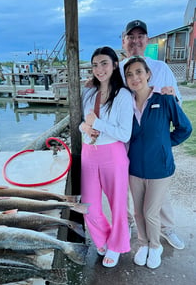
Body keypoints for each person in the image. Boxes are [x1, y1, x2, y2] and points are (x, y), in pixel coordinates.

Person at [120, 19, 185, 250]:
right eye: (131, 37)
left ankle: (166, 228)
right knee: (127, 188)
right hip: (125, 139)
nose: (135, 41)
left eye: (140, 36)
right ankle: (129, 224)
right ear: (123, 41)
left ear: (147, 40)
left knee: (158, 189)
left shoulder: (161, 68)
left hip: (153, 142)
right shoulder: (117, 69)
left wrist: (165, 141)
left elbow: (175, 101)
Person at [123, 56, 192, 268]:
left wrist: (164, 143)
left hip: (160, 168)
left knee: (151, 212)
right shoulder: (125, 104)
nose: (135, 78)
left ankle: (155, 246)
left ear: (148, 74)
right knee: (137, 211)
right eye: (129, 74)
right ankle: (142, 243)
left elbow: (185, 128)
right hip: (134, 167)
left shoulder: (164, 99)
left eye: (139, 72)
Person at [79, 46, 134, 268]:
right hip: (88, 154)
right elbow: (84, 122)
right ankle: (103, 237)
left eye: (104, 63)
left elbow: (124, 133)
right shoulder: (89, 92)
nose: (99, 69)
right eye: (95, 64)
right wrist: (86, 127)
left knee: (117, 204)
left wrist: (98, 124)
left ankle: (118, 244)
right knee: (89, 206)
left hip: (113, 153)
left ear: (114, 65)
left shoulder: (122, 95)